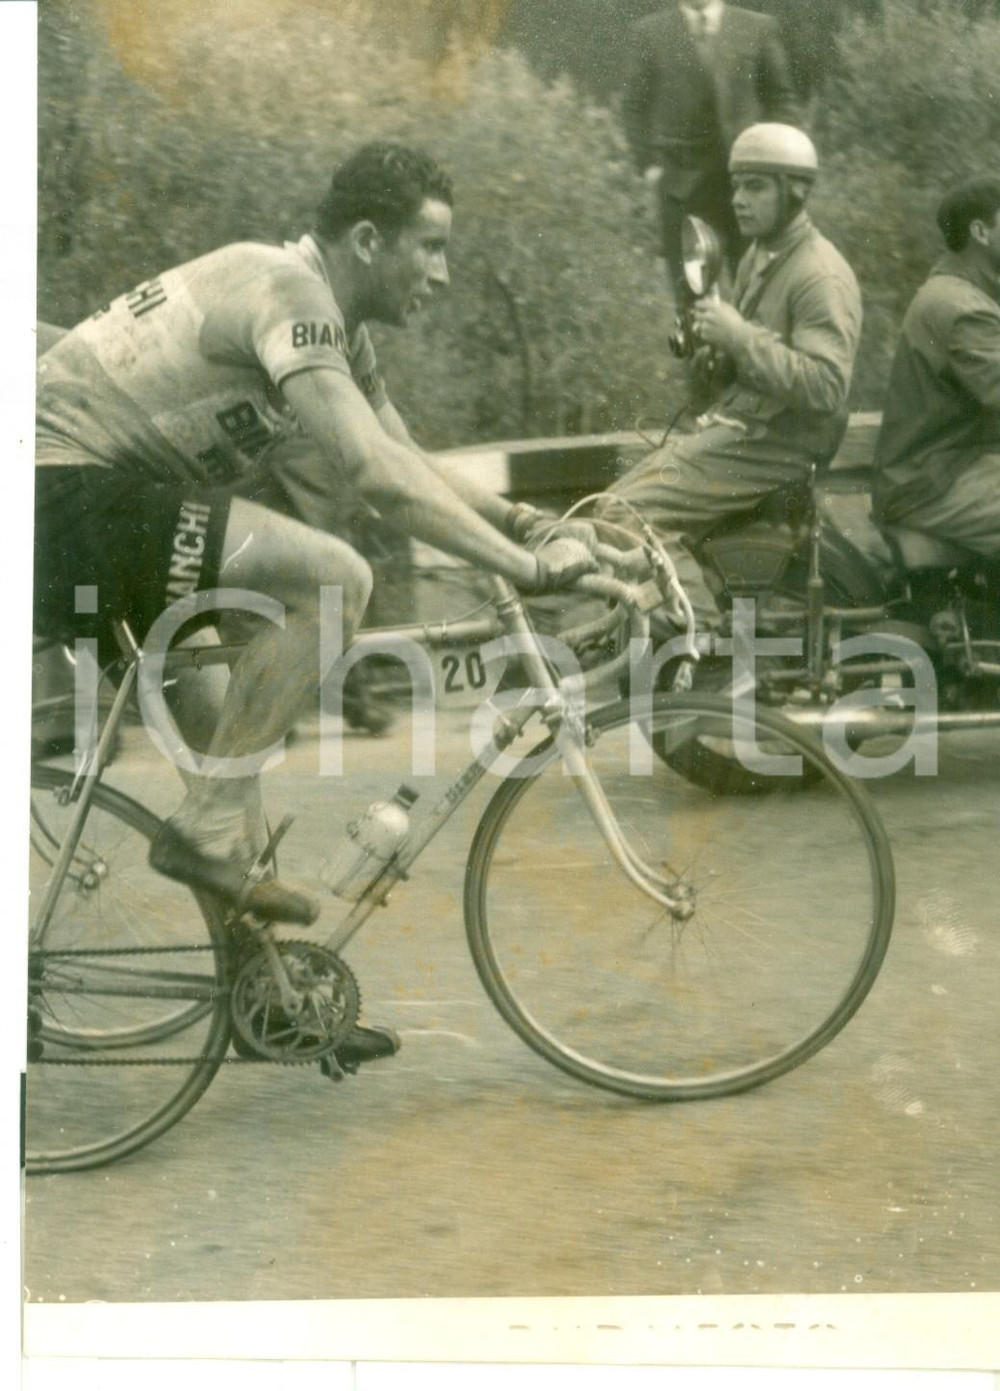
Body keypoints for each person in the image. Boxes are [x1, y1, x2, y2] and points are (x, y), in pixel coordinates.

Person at [33, 142, 597, 1067]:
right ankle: (203, 835)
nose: (444, 275)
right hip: (62, 496)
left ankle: (269, 1001)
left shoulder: (338, 329)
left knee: (231, 753)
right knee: (335, 579)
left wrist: (529, 525)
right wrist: (530, 574)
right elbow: (374, 478)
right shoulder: (289, 294)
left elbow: (408, 458)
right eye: (431, 247)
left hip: (96, 510)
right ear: (369, 240)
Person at [597, 124, 862, 633]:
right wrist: (715, 353)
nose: (739, 200)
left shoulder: (819, 274)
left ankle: (702, 646)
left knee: (623, 516)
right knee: (611, 510)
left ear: (796, 192)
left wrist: (739, 337)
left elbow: (827, 387)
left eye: (756, 187)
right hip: (744, 429)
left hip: (777, 444)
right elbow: (752, 366)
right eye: (737, 185)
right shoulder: (761, 258)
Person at [622, 0, 798, 302]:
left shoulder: (758, 27)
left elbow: (782, 100)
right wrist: (649, 166)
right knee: (692, 300)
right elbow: (633, 106)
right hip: (682, 189)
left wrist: (778, 162)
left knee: (760, 295)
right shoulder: (649, 33)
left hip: (748, 185)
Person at [872, 176, 1000, 554]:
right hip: (931, 483)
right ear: (981, 232)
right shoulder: (962, 308)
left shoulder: (966, 293)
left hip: (947, 468)